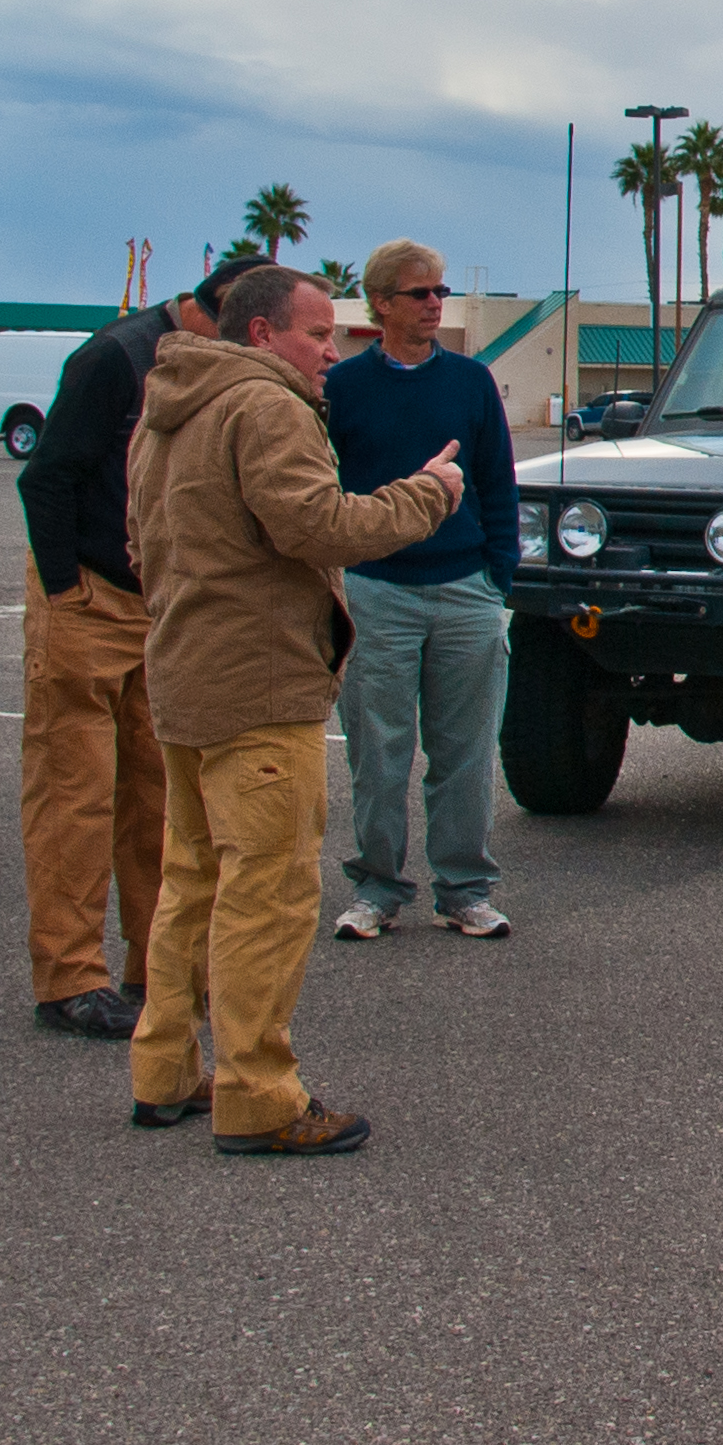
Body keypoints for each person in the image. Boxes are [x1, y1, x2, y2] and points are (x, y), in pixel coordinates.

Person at [124, 266, 464, 1155]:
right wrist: (428, 494)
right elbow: (320, 528)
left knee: (192, 882)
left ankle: (164, 1071)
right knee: (267, 896)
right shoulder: (265, 408)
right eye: (316, 334)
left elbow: (141, 545)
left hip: (184, 677)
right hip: (259, 689)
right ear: (262, 333)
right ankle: (259, 1097)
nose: (331, 352)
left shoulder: (168, 410)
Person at [14, 255, 267, 1040]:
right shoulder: (114, 359)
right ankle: (69, 979)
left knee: (161, 802)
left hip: (159, 604)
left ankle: (155, 971)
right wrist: (66, 593)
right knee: (75, 798)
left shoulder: (212, 368)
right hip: (88, 595)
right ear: (212, 312)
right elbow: (45, 478)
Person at [323, 239, 524, 942]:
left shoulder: (470, 382)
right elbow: (323, 491)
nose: (436, 303)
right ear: (381, 303)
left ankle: (465, 890)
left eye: (441, 291)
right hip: (376, 591)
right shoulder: (342, 388)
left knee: (466, 751)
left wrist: (498, 575)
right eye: (420, 293)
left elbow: (498, 481)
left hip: (466, 589)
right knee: (377, 751)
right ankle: (376, 889)